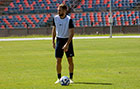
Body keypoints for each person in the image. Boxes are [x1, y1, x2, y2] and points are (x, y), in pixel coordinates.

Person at [52, 4, 75, 84]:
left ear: (64, 11)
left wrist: (67, 44)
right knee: (58, 60)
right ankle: (58, 78)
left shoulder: (69, 20)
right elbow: (54, 30)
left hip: (67, 40)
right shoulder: (55, 18)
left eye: (60, 10)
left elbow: (72, 33)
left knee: (70, 60)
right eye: (58, 10)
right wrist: (53, 41)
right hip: (59, 40)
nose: (58, 11)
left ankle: (71, 78)